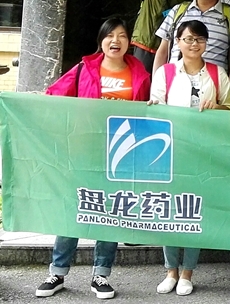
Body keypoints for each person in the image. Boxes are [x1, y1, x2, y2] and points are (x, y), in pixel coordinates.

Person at [36, 19, 151, 300]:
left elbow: (149, 114)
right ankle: (57, 272)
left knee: (110, 211)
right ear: (101, 41)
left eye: (122, 36)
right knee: (73, 208)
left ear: (129, 42)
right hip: (83, 150)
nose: (116, 40)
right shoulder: (84, 68)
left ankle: (101, 275)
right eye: (110, 35)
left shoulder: (140, 73)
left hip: (120, 154)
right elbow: (54, 97)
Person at [149, 20, 230, 296]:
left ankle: (187, 272)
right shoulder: (165, 72)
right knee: (169, 209)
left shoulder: (217, 73)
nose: (194, 44)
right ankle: (170, 270)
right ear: (177, 42)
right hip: (171, 151)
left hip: (204, 152)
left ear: (206, 43)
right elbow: (155, 108)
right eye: (188, 39)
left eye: (199, 39)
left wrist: (217, 107)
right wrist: (154, 107)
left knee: (194, 210)